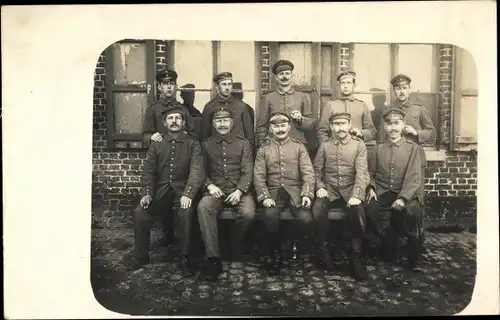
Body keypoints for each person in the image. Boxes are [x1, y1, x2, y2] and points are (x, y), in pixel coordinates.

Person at [131, 106, 205, 276]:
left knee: (186, 212)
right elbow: (149, 171)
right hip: (161, 191)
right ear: (165, 123)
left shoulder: (193, 144)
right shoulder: (157, 144)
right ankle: (140, 257)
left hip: (182, 191)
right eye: (170, 118)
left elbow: (196, 171)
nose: (174, 121)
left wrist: (189, 193)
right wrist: (147, 193)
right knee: (140, 212)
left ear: (184, 122)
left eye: (178, 118)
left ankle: (185, 257)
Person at [376, 74, 436, 252]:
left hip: (415, 161)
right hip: (392, 160)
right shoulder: (388, 112)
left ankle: (416, 240)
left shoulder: (418, 109)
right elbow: (381, 137)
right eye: (398, 88)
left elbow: (432, 133)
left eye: (404, 88)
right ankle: (397, 239)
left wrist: (417, 132)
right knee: (392, 197)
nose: (401, 91)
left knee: (415, 202)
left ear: (409, 89)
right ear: (393, 91)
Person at [197, 106, 256, 281]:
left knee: (249, 213)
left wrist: (239, 191)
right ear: (213, 124)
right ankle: (213, 258)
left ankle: (234, 244)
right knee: (203, 207)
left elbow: (248, 171)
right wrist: (209, 186)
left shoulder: (243, 143)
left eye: (225, 121)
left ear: (232, 123)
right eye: (218, 121)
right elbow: (200, 170)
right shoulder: (206, 144)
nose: (222, 124)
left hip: (238, 190)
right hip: (216, 190)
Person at [253, 112, 315, 275]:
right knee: (270, 218)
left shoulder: (298, 146)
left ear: (289, 127)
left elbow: (308, 173)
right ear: (270, 129)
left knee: (305, 219)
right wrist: (265, 197)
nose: (280, 129)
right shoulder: (264, 150)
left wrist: (307, 194)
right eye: (276, 126)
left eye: (283, 125)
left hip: (295, 192)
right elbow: (258, 177)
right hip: (273, 193)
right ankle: (274, 254)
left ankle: (297, 252)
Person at [142, 70, 198, 247]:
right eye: (165, 84)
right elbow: (144, 134)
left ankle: (183, 241)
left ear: (175, 86)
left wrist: (187, 134)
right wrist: (152, 138)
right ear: (160, 87)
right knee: (163, 197)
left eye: (172, 84)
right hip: (161, 159)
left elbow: (193, 132)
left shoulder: (183, 109)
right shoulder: (153, 109)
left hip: (181, 155)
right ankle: (167, 233)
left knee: (180, 198)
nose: (169, 87)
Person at [312, 112, 370, 280]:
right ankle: (324, 252)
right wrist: (320, 186)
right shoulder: (325, 146)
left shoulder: (359, 145)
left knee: (358, 212)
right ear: (331, 127)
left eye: (343, 124)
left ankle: (355, 257)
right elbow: (316, 170)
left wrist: (357, 194)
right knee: (317, 210)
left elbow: (362, 172)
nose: (340, 128)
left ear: (350, 124)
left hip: (351, 188)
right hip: (330, 188)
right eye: (336, 124)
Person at [365, 107, 424, 271]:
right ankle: (390, 244)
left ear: (403, 125)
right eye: (389, 124)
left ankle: (413, 254)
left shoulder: (413, 148)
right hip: (384, 192)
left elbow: (414, 177)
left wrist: (403, 198)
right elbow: (370, 173)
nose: (393, 128)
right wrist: (370, 188)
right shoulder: (378, 149)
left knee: (413, 212)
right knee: (371, 208)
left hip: (406, 194)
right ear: (385, 127)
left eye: (397, 123)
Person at [255, 60, 315, 151]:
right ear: (276, 77)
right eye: (281, 74)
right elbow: (261, 126)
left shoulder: (303, 97)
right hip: (274, 146)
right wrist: (263, 145)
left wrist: (300, 119)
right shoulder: (268, 98)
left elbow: (310, 125)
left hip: (297, 144)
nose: (284, 76)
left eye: (287, 73)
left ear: (292, 76)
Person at [317, 70, 377, 145]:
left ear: (354, 85)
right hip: (335, 149)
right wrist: (326, 148)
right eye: (343, 83)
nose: (345, 86)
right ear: (339, 86)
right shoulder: (330, 105)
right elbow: (322, 131)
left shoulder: (362, 105)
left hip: (356, 149)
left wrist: (361, 133)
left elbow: (372, 131)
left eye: (348, 83)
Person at [199, 72, 254, 144]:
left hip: (237, 150)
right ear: (217, 87)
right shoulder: (210, 107)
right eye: (224, 84)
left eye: (229, 84)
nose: (227, 88)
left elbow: (249, 135)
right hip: (215, 150)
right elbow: (205, 135)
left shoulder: (241, 106)